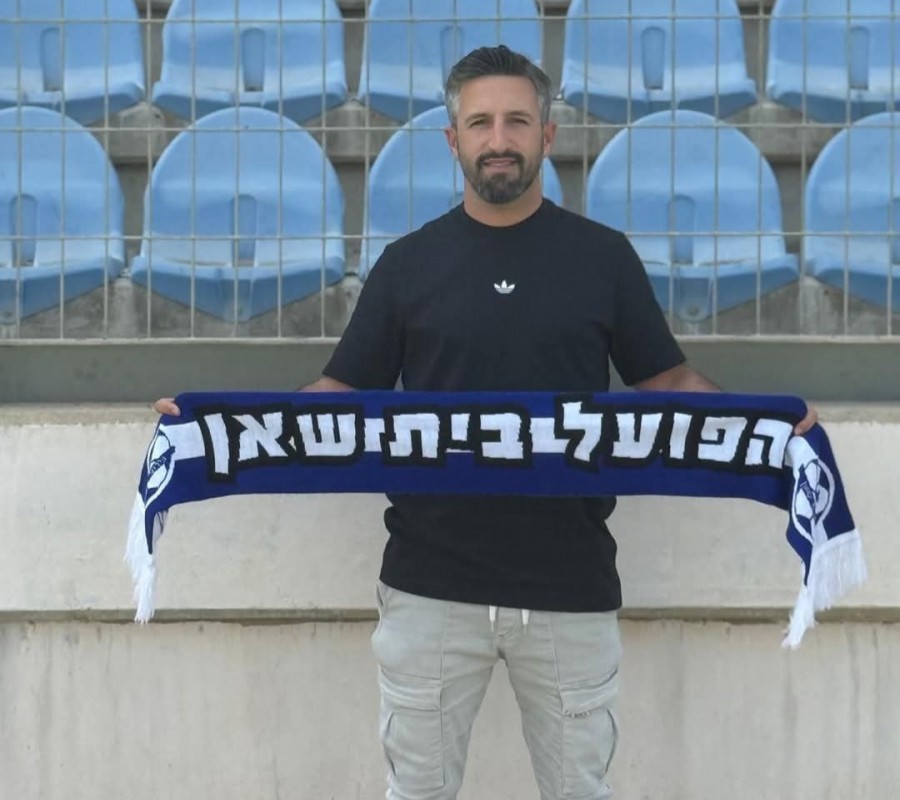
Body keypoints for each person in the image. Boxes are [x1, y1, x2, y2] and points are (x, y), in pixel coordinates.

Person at [155, 45, 817, 800]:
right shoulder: (407, 266)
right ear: (453, 139)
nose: (498, 140)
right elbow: (340, 392)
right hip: (429, 586)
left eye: (516, 121)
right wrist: (211, 427)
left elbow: (667, 381)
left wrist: (767, 423)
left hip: (569, 584)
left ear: (548, 134)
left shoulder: (602, 259)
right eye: (480, 123)